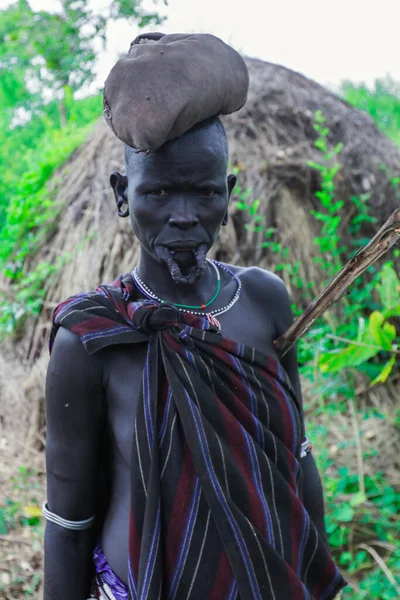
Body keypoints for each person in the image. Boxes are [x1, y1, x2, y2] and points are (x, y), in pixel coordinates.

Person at [44, 114, 346, 600]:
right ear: (123, 194)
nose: (184, 215)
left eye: (205, 192)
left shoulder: (264, 300)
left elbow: (297, 457)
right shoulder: (90, 337)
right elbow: (67, 519)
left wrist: (311, 577)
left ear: (227, 195)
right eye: (158, 193)